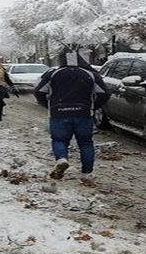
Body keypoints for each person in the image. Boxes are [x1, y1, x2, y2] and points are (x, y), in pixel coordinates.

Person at [34, 50, 110, 186]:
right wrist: (93, 106)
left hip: (59, 113)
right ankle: (86, 174)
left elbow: (39, 92)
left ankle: (62, 159)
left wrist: (49, 106)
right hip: (84, 114)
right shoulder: (90, 74)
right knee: (86, 143)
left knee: (59, 140)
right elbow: (104, 93)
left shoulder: (53, 74)